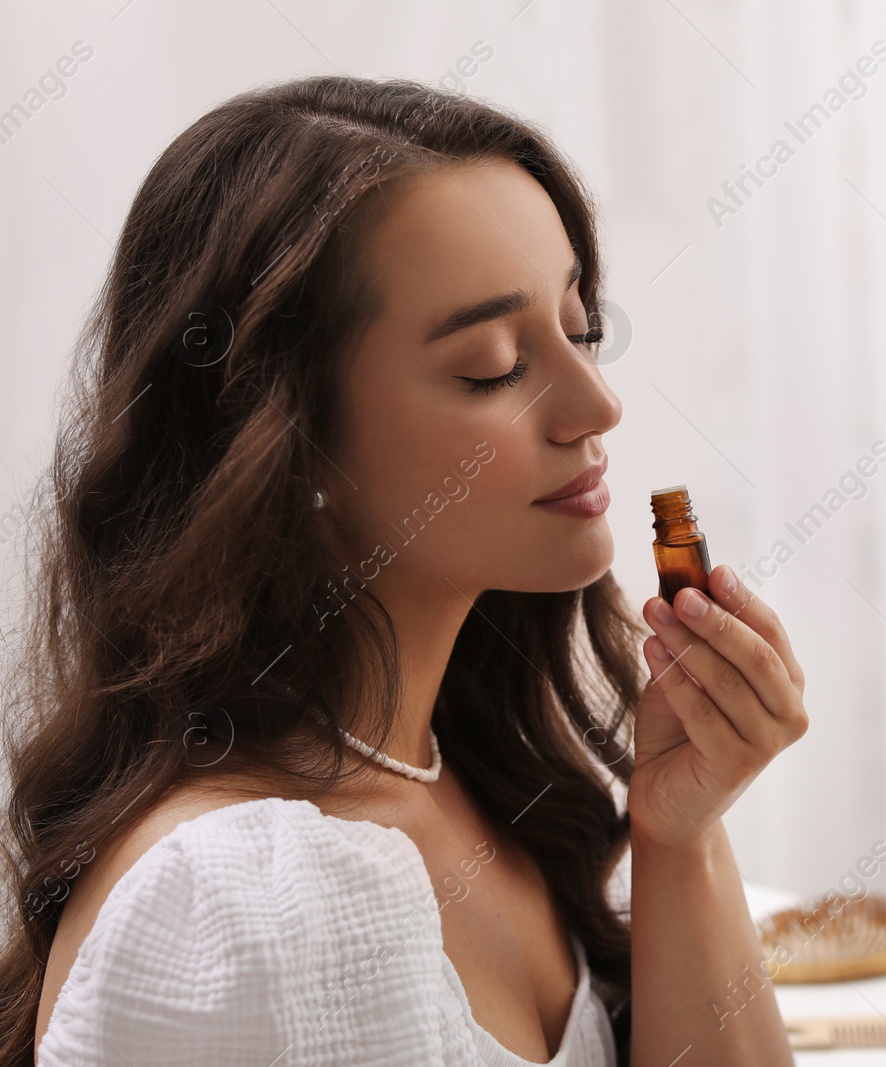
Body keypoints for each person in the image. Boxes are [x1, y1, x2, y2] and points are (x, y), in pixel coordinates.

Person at [0, 74, 808, 1066]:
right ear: (284, 445)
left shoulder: (475, 775)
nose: (595, 404)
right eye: (492, 367)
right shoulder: (246, 898)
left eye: (580, 328)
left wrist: (681, 834)